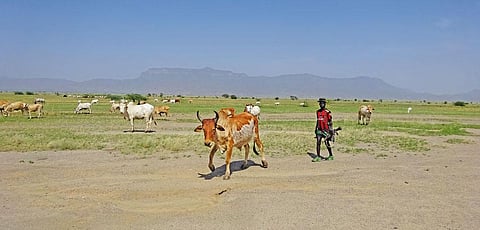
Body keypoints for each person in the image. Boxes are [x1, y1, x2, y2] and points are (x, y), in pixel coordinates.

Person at [312, 98, 334, 162]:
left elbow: (330, 122)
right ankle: (318, 156)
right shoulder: (318, 112)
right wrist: (316, 128)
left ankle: (331, 155)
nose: (321, 104)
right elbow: (318, 120)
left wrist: (331, 131)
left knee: (327, 143)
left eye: (323, 103)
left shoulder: (327, 112)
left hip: (326, 130)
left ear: (325, 104)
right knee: (318, 142)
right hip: (319, 130)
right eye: (320, 103)